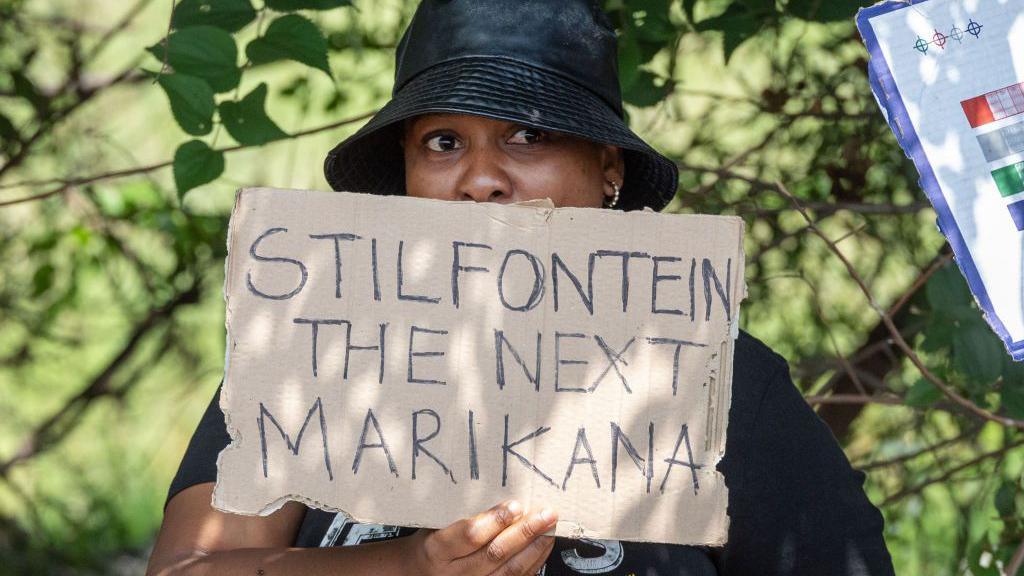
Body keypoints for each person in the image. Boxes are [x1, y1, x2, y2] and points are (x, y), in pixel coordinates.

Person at [146, 1, 896, 574]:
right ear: (406, 177)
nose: (481, 181)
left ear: (609, 171)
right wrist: (404, 565)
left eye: (530, 135)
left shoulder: (717, 384)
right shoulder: (317, 353)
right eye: (444, 143)